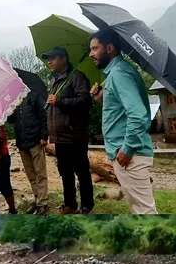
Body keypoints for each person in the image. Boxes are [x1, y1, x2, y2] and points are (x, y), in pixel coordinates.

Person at [89, 28, 158, 214]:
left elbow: (138, 114)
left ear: (109, 48)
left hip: (130, 156)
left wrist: (126, 149)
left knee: (144, 210)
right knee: (138, 208)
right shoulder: (115, 74)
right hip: (125, 155)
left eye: (95, 49)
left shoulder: (119, 73)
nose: (91, 54)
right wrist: (101, 99)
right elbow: (121, 110)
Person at [43, 47, 94, 214]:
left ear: (63, 59)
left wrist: (60, 101)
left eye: (53, 58)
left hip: (75, 135)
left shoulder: (76, 77)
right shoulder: (55, 81)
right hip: (59, 137)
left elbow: (85, 102)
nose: (49, 62)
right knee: (65, 172)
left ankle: (87, 205)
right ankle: (70, 204)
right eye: (48, 59)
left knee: (81, 171)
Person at [8, 90, 49, 215]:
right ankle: (37, 200)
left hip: (35, 140)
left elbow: (43, 116)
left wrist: (44, 136)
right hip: (22, 142)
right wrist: (12, 112)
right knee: (30, 174)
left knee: (40, 172)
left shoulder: (34, 96)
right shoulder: (14, 99)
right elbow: (9, 120)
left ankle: (43, 202)